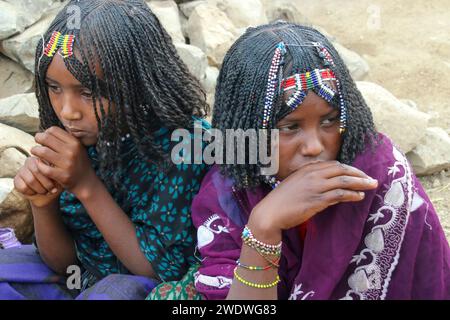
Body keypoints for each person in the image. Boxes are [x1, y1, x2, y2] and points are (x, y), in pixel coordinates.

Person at [189, 21, 450, 300]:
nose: (314, 147)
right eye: (290, 127)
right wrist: (263, 228)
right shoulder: (229, 194)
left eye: (329, 120)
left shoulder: (378, 175)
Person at [0, 0, 209, 300]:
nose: (68, 111)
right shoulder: (78, 137)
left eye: (87, 92)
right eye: (54, 88)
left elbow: (156, 271)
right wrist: (42, 204)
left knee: (115, 291)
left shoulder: (184, 146)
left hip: (148, 289)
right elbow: (66, 264)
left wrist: (85, 185)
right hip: (81, 281)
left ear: (136, 84)